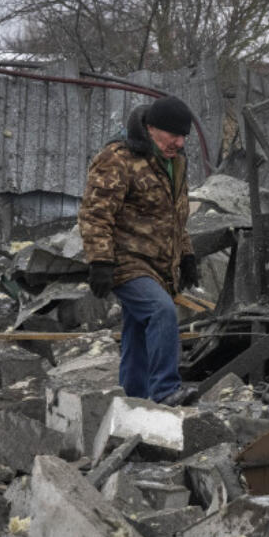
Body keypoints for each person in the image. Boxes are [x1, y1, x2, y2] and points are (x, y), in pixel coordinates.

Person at [79, 94, 200, 405]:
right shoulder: (118, 158)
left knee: (137, 329)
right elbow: (96, 212)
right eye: (173, 135)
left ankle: (134, 400)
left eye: (183, 136)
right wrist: (101, 261)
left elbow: (176, 215)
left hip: (159, 265)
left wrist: (186, 255)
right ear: (151, 128)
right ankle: (165, 391)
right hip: (125, 261)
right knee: (161, 311)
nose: (179, 143)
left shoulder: (177, 163)